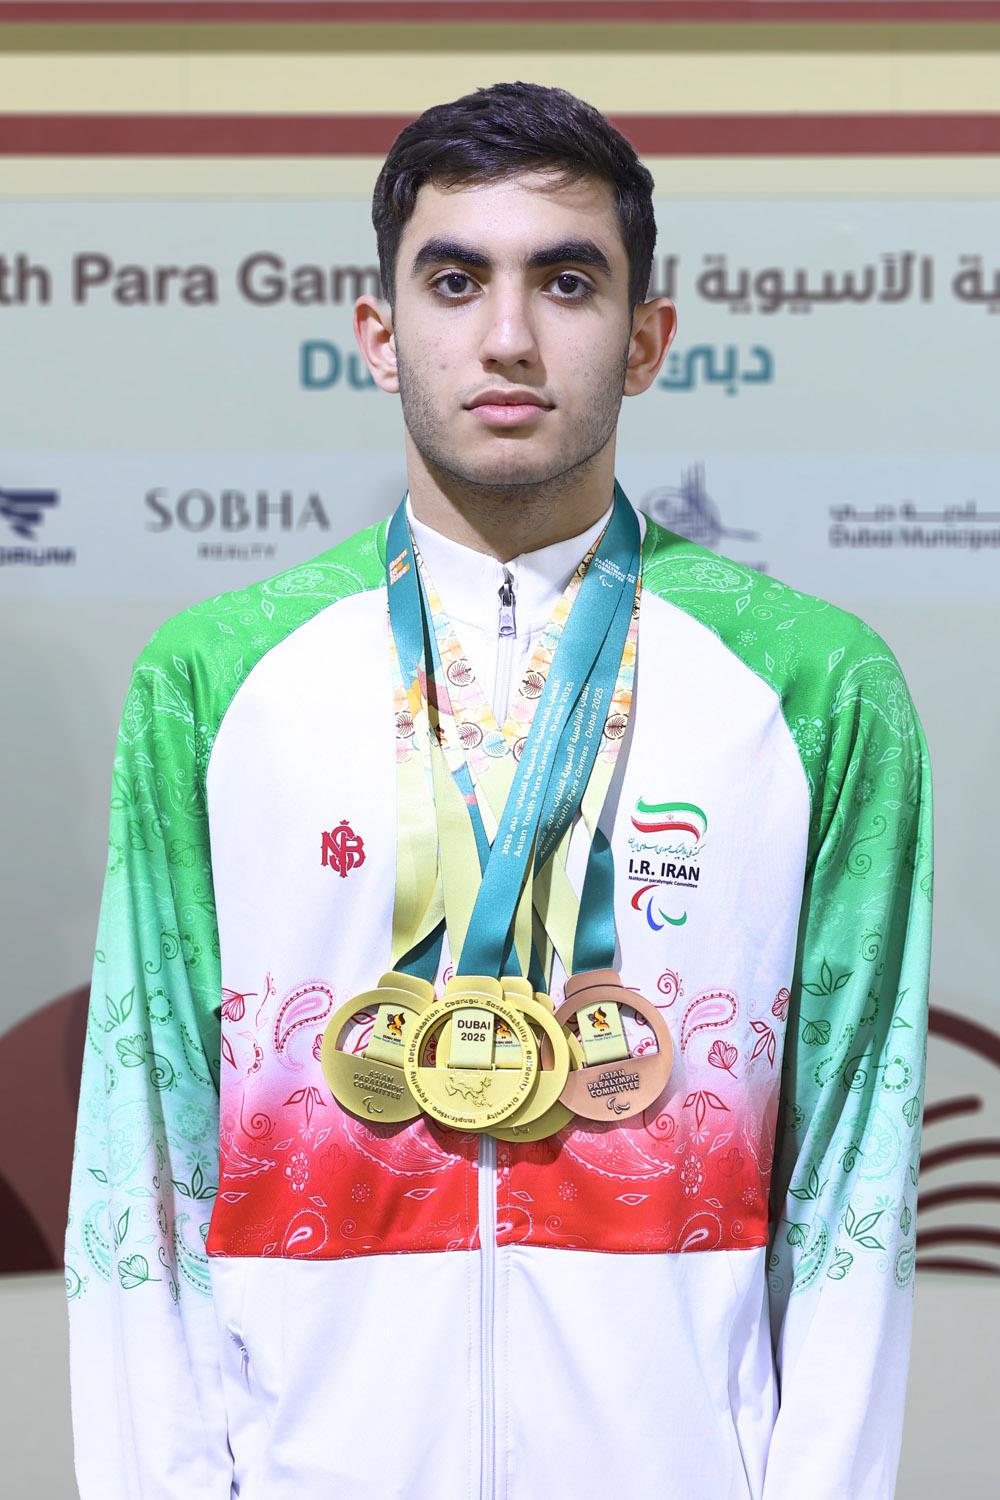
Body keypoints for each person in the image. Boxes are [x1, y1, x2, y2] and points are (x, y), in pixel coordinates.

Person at [64, 80, 933, 1500]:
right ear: (379, 331)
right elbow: (141, 1165)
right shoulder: (214, 685)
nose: (509, 335)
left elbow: (856, 1178)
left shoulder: (815, 687)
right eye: (456, 280)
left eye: (567, 281)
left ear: (646, 339)